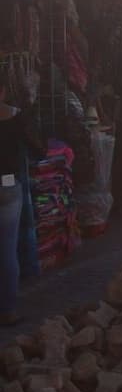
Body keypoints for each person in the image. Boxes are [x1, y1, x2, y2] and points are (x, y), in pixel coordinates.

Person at [0, 82, 42, 326]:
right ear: (3, 91)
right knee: (7, 250)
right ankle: (8, 311)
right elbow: (39, 148)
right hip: (7, 184)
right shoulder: (17, 117)